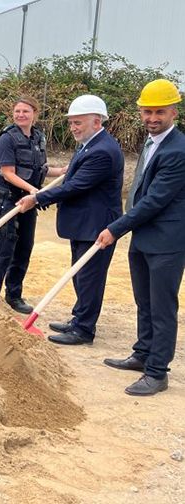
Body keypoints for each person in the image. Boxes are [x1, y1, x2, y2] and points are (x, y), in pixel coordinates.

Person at [96, 79, 185, 396]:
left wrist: (115, 228)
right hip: (144, 236)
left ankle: (157, 372)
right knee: (144, 302)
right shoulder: (151, 143)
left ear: (174, 112)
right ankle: (143, 354)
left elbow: (155, 200)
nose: (152, 118)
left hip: (167, 242)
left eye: (159, 112)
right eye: (147, 111)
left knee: (162, 307)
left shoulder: (178, 151)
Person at [16, 95, 123, 345]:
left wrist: (37, 198)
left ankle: (84, 329)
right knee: (80, 273)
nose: (73, 128)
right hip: (83, 223)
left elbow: (76, 186)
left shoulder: (103, 151)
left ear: (96, 122)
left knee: (89, 277)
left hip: (96, 224)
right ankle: (79, 318)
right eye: (71, 123)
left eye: (78, 123)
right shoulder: (88, 144)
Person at [0, 96, 47, 314]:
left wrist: (63, 171)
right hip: (7, 201)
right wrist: (32, 190)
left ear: (35, 114)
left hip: (28, 203)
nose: (21, 115)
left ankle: (14, 295)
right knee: (5, 250)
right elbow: (7, 173)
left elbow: (41, 168)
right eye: (17, 111)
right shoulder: (7, 139)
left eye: (25, 111)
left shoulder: (38, 138)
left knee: (24, 249)